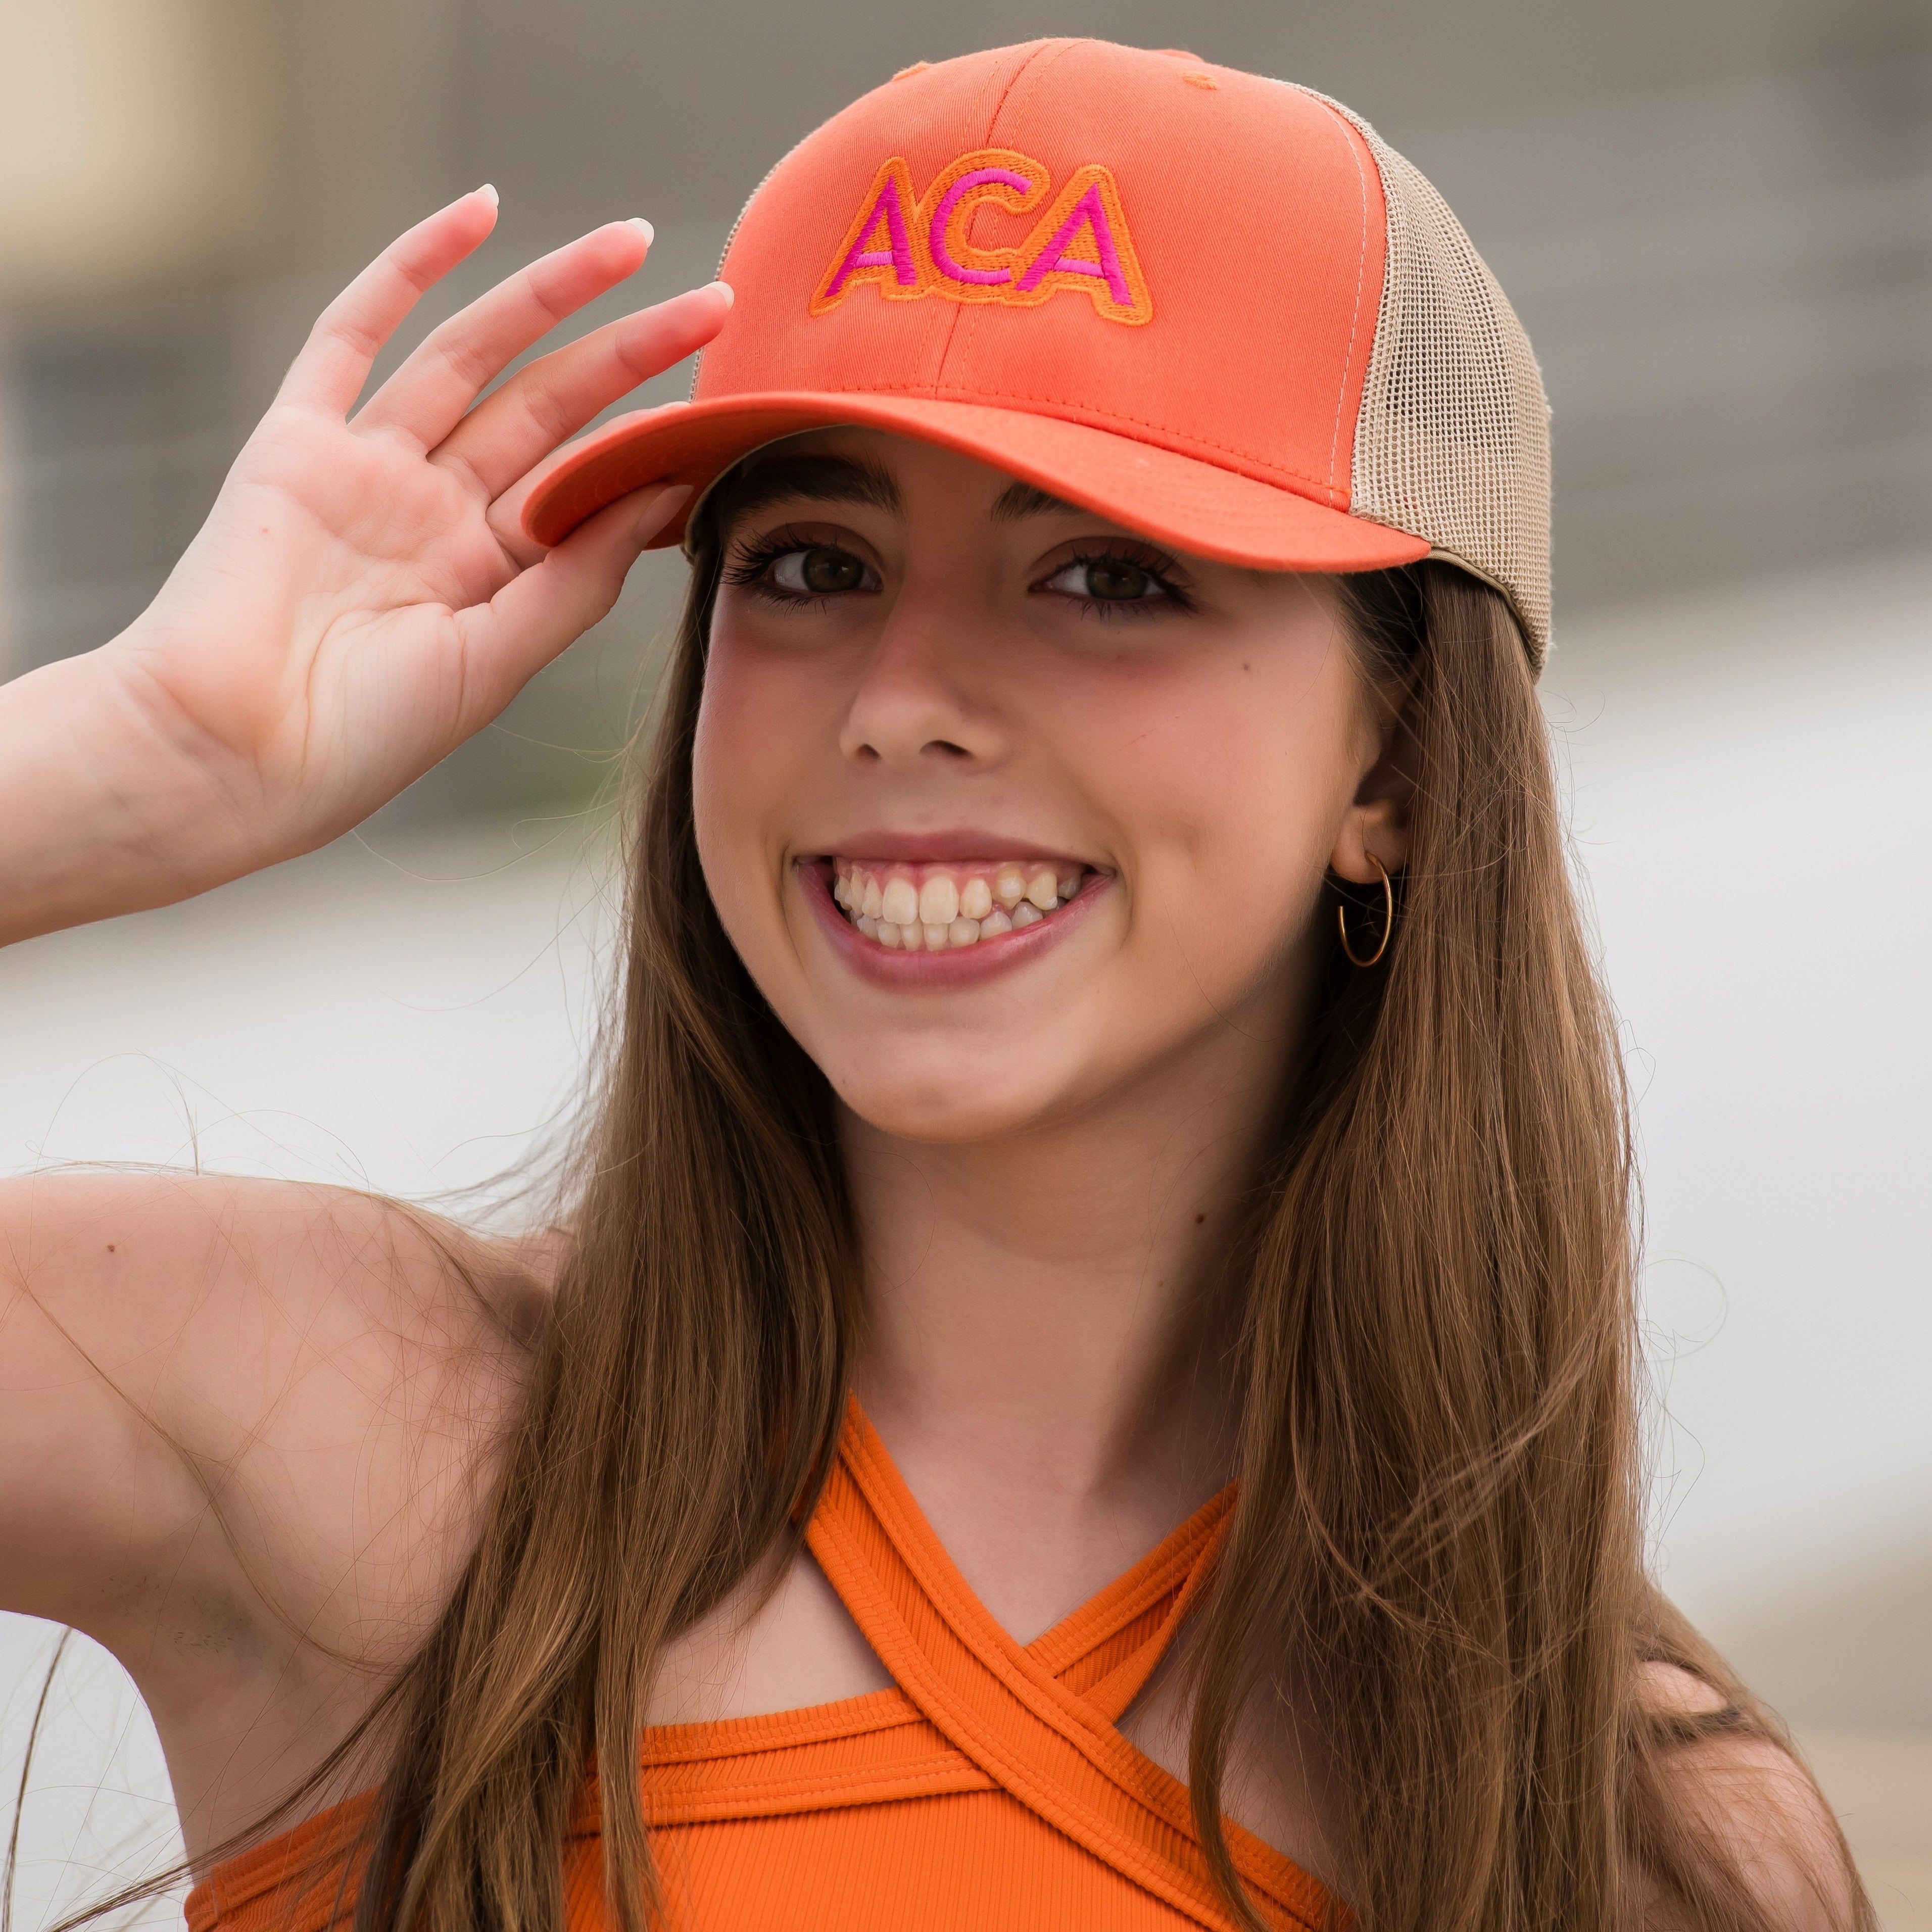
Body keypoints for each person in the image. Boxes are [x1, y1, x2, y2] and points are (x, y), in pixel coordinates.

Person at [0, 39, 1867, 1932]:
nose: (900, 704)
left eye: (1111, 580)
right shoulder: (341, 1430)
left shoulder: (1648, 1839)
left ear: (1394, 769)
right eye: (812, 562)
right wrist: (127, 771)